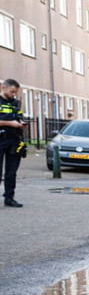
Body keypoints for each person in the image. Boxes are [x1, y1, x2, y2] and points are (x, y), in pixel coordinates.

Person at [0, 79, 26, 208]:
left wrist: (21, 123)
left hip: (14, 140)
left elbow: (19, 117)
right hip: (0, 139)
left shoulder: (16, 103)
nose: (13, 95)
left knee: (11, 172)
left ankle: (9, 197)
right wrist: (10, 123)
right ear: (3, 88)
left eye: (15, 93)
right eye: (12, 92)